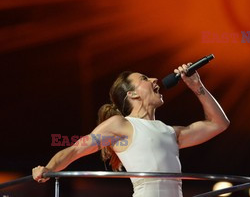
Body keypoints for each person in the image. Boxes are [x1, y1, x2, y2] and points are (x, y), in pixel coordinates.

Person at [32, 63, 230, 197]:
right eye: (144, 78)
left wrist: (197, 86)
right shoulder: (121, 125)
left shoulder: (171, 132)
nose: (154, 79)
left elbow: (219, 124)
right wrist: (48, 168)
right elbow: (76, 149)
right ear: (132, 94)